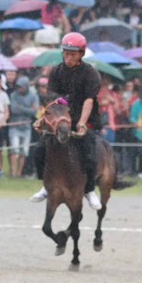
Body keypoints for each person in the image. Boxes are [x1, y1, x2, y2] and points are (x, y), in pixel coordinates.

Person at [29, 32, 103, 209]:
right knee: (40, 150)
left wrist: (83, 122)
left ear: (81, 54)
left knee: (89, 153)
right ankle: (46, 186)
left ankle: (89, 190)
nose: (68, 57)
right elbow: (51, 98)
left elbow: (89, 100)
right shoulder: (56, 71)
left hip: (82, 117)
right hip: (60, 117)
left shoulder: (90, 73)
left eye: (73, 54)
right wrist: (43, 118)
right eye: (66, 53)